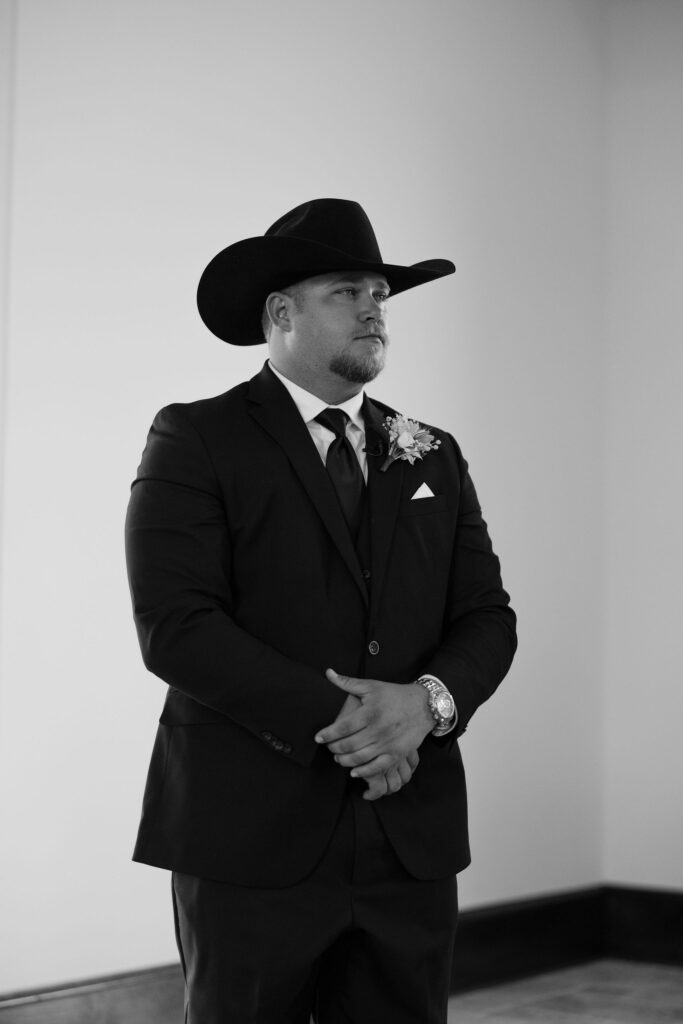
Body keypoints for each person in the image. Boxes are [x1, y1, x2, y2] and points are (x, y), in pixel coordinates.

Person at [124, 198, 517, 1024]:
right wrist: (353, 724)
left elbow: (487, 615)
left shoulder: (431, 453)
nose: (375, 310)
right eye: (348, 291)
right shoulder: (196, 438)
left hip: (408, 835)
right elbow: (176, 626)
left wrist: (424, 707)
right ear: (280, 313)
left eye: (379, 293)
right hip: (248, 832)